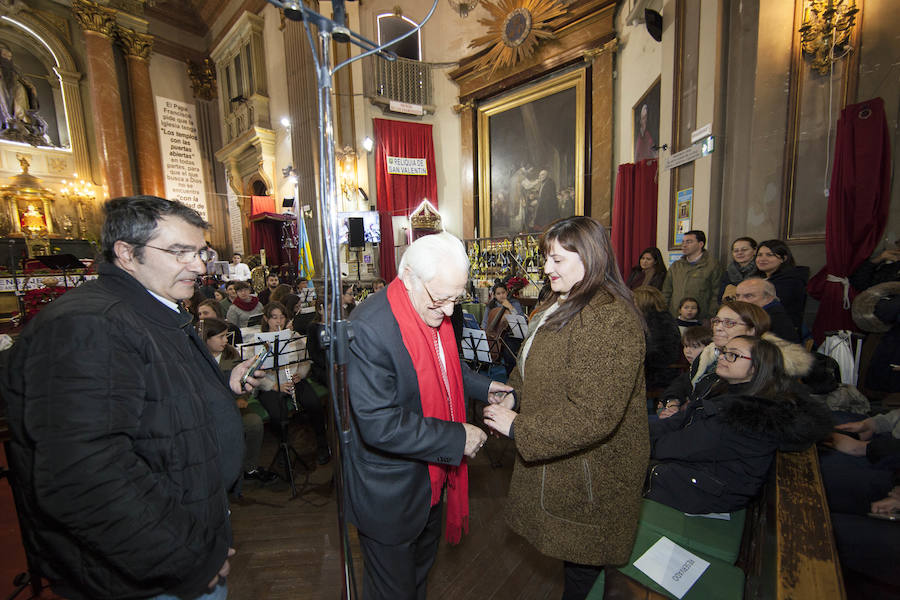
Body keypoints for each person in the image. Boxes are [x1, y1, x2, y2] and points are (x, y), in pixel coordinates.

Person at [0, 195, 265, 600]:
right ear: (126, 253)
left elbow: (152, 398)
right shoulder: (89, 325)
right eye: (180, 252)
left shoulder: (148, 309)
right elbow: (84, 477)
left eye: (200, 252)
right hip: (143, 573)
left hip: (183, 534)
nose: (198, 265)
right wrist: (189, 556)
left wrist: (222, 386)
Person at [483, 216, 649, 600]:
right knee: (575, 564)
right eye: (546, 258)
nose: (545, 268)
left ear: (589, 259)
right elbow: (530, 365)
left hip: (595, 471)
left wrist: (519, 428)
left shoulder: (609, 318)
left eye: (556, 259)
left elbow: (595, 416)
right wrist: (513, 394)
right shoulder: (559, 303)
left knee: (584, 568)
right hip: (567, 463)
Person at [345, 231, 512, 599]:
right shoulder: (370, 327)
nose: (450, 311)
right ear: (408, 278)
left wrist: (484, 388)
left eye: (457, 298)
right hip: (390, 495)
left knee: (417, 583)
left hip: (429, 484)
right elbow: (379, 424)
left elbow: (445, 367)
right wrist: (457, 438)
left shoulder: (435, 306)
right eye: (442, 299)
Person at [646, 335, 832, 513]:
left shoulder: (748, 415)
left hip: (705, 490)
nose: (723, 358)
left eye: (733, 355)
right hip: (699, 470)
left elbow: (682, 446)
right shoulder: (730, 390)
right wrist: (639, 433)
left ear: (756, 368)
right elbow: (680, 421)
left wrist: (632, 445)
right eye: (724, 352)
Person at [202, 317, 278, 484]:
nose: (226, 340)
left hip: (233, 406)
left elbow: (243, 381)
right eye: (221, 336)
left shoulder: (231, 353)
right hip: (207, 411)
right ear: (206, 338)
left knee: (254, 422)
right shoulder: (197, 358)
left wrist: (243, 397)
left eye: (226, 335)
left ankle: (249, 467)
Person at [662, 230, 723, 320]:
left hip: (700, 318)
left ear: (700, 244)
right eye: (683, 242)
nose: (684, 245)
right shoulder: (676, 266)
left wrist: (711, 315)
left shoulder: (712, 266)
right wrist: (664, 313)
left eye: (689, 242)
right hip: (676, 317)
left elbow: (716, 294)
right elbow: (666, 292)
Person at [633, 286, 682, 392]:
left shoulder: (656, 323)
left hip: (657, 373)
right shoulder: (664, 318)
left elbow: (654, 354)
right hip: (660, 370)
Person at [754, 239, 809, 331]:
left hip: (779, 332)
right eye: (759, 255)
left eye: (769, 255)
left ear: (783, 258)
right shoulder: (758, 278)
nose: (762, 259)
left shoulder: (791, 281)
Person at [735, 277, 799, 342]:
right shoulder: (754, 315)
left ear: (769, 298)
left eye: (748, 296)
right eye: (737, 296)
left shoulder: (773, 319)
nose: (740, 301)